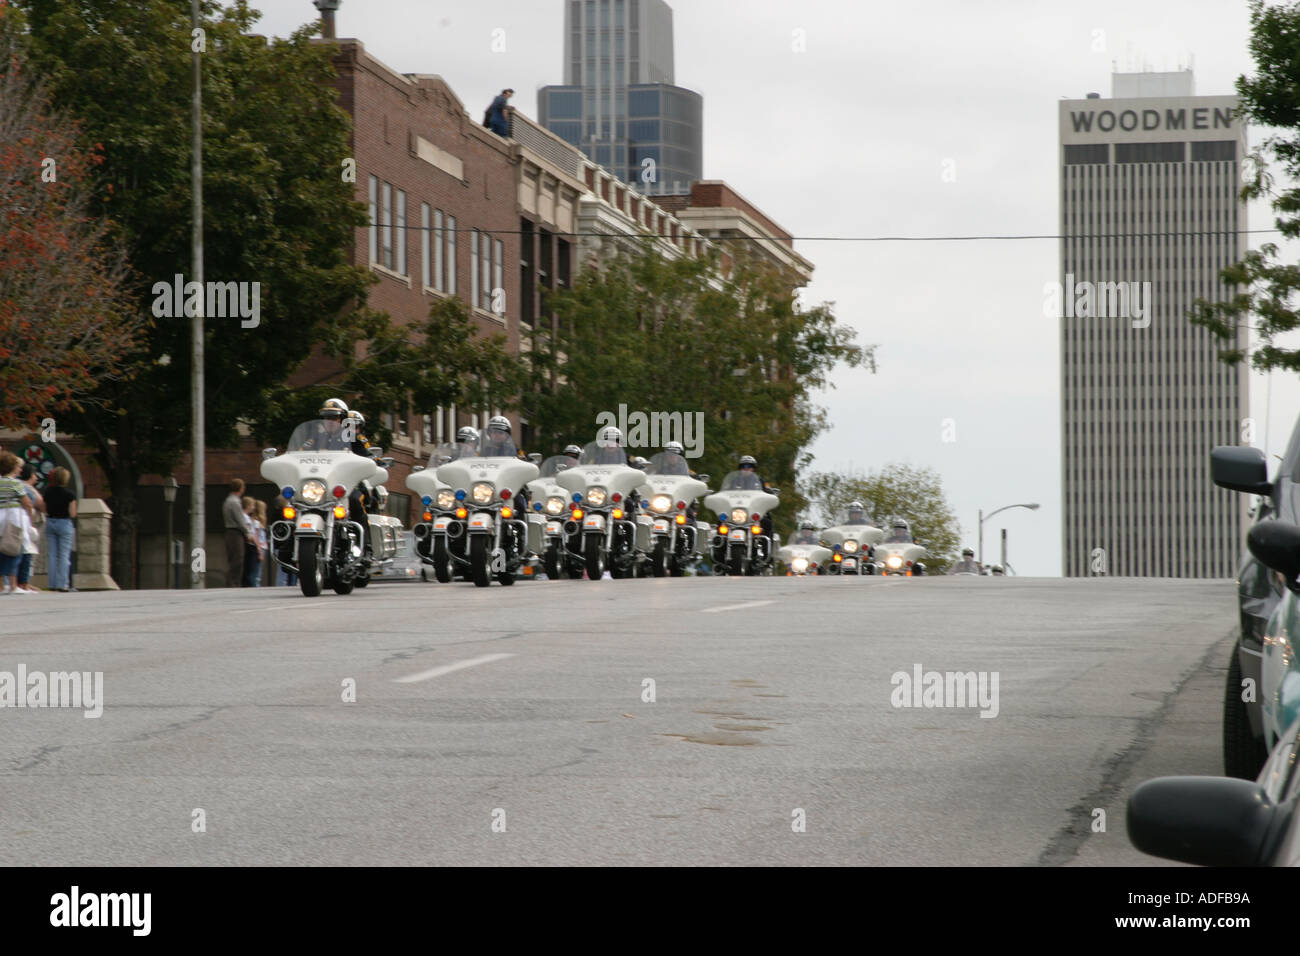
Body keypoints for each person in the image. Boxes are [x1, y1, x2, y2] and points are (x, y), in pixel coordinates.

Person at [0, 452, 36, 595]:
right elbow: (27, 503)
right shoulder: (15, 483)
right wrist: (29, 518)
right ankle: (14, 585)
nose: (20, 469)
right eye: (17, 466)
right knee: (15, 550)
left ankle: (1, 586)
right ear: (12, 467)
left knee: (1, 550)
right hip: (13, 518)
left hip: (0, 519)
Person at [43, 467, 77, 592]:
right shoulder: (70, 494)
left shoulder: (48, 492)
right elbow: (72, 513)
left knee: (52, 554)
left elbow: (44, 508)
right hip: (64, 523)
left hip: (50, 522)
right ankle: (62, 584)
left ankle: (51, 584)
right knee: (64, 555)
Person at [16, 464, 44, 592]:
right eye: (34, 474)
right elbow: (35, 504)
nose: (36, 478)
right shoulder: (25, 488)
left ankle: (22, 582)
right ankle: (23, 582)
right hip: (28, 523)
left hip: (21, 522)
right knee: (27, 552)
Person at [224, 478, 253, 587]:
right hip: (235, 533)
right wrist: (247, 532)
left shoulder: (228, 500)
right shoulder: (235, 502)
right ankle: (234, 583)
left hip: (230, 532)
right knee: (238, 559)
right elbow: (240, 520)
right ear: (240, 488)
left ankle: (232, 582)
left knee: (233, 558)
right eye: (243, 486)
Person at [241, 496, 263, 587]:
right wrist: (258, 548)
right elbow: (251, 534)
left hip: (250, 544)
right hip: (251, 545)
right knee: (251, 570)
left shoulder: (245, 517)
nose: (254, 508)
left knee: (248, 570)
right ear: (248, 506)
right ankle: (251, 587)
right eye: (252, 505)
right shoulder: (245, 518)